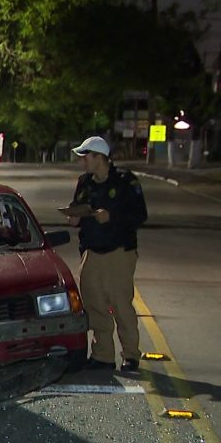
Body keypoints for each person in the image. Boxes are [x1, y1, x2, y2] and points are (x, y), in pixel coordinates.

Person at [66, 136, 148, 371]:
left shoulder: (125, 181)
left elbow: (139, 215)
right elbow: (77, 208)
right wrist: (75, 217)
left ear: (99, 157)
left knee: (121, 304)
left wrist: (111, 217)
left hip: (119, 250)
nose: (83, 162)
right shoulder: (84, 182)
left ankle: (131, 354)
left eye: (86, 157)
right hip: (92, 250)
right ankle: (103, 354)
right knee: (94, 304)